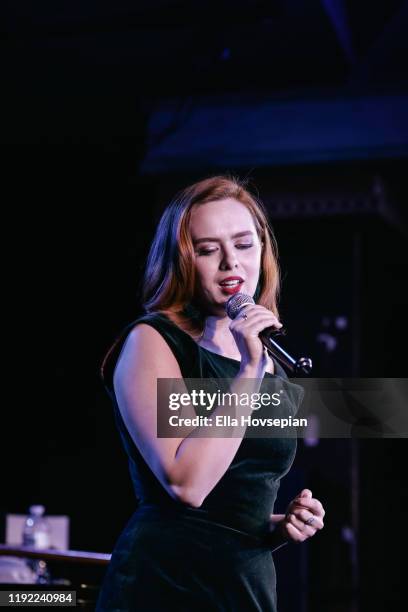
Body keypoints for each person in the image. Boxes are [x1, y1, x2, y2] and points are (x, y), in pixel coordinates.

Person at [96, 175, 325, 611]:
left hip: (245, 584)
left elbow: (230, 505)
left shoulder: (266, 358)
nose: (230, 264)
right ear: (182, 260)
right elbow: (187, 486)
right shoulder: (152, 341)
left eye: (243, 244)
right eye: (207, 250)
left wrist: (279, 526)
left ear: (262, 249)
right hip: (165, 583)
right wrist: (250, 369)